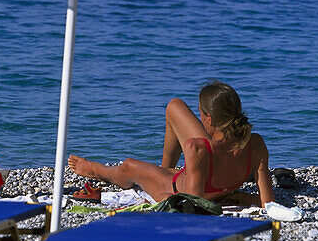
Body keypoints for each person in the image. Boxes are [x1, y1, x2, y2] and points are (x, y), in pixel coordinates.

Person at [68, 81, 275, 207]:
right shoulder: (255, 143)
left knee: (128, 167)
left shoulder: (198, 148)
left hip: (174, 188)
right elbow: (268, 203)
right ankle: (165, 169)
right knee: (174, 106)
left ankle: (95, 170)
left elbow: (194, 207)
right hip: (217, 183)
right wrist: (235, 196)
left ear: (209, 119)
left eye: (201, 114)